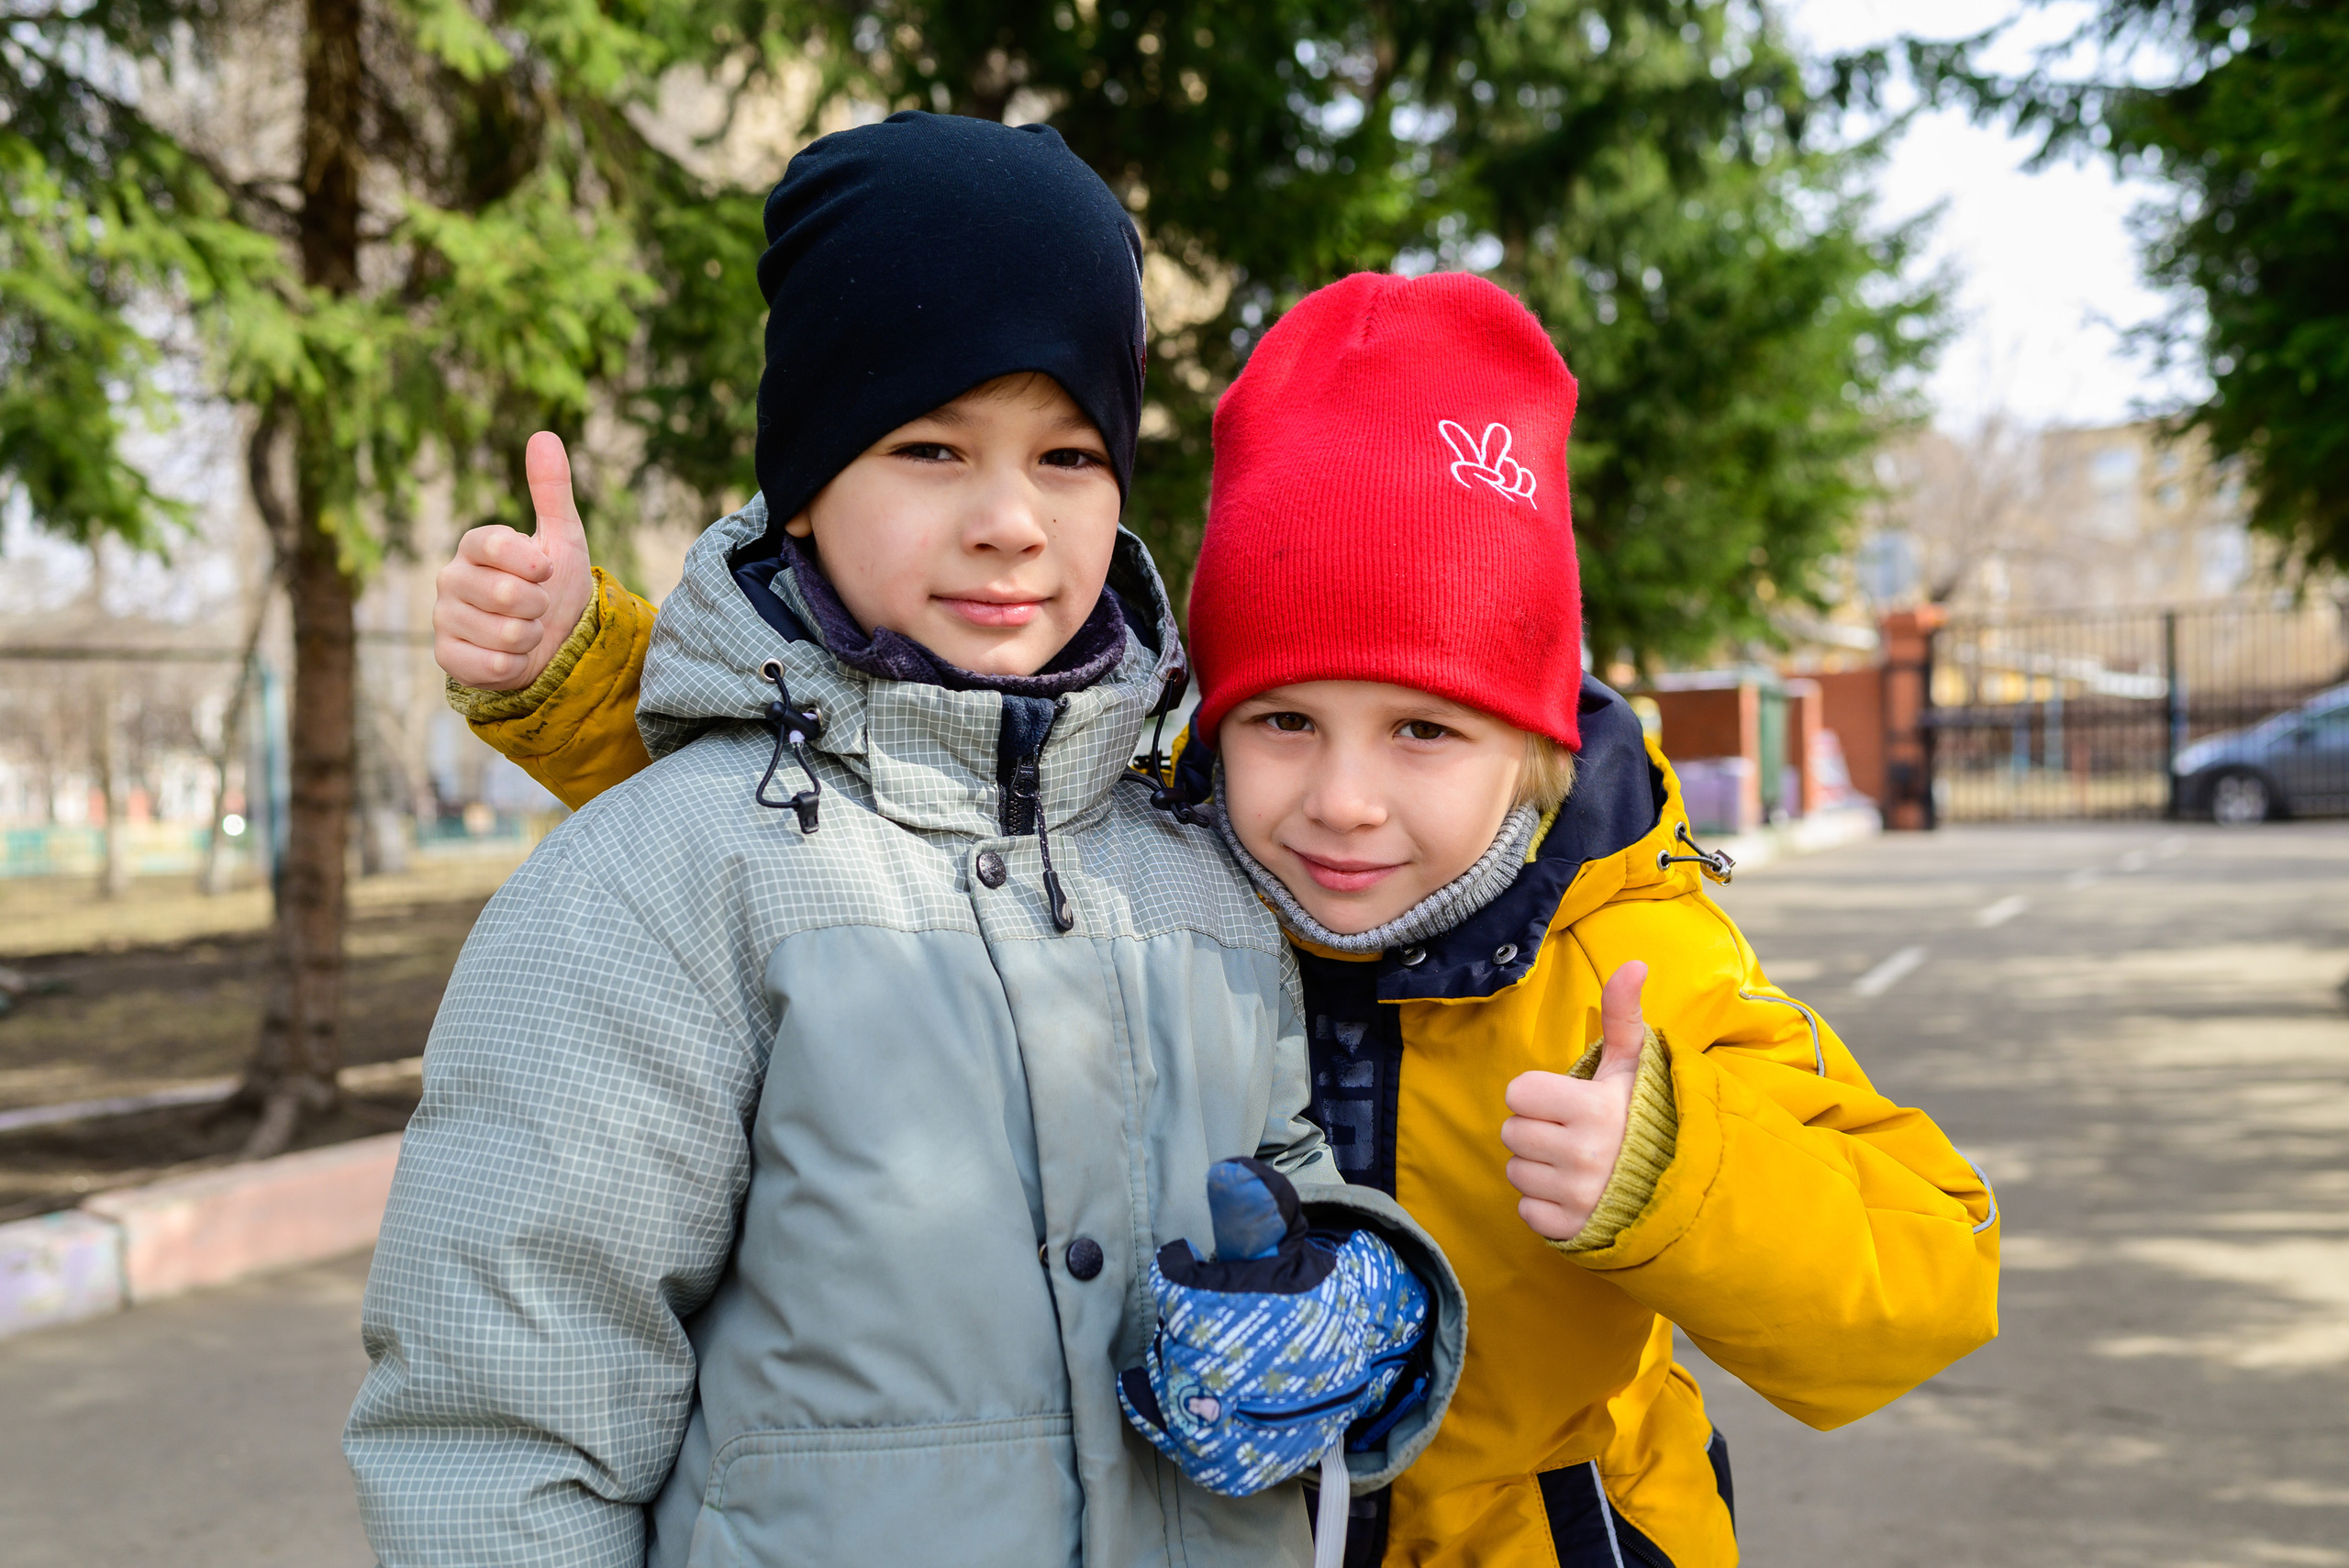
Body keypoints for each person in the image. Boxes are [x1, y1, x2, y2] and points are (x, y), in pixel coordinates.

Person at [436, 268, 2001, 1567]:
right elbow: (851, 802)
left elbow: (1927, 1273)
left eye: (1425, 732)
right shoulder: (1155, 860)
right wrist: (577, 667)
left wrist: (1671, 1171)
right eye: (1286, 722)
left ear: (1534, 744)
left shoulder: (1620, 953)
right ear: (1208, 720)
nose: (1343, 801)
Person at [354, 112, 1466, 1568]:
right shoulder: (668, 886)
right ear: (806, 487)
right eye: (931, 446)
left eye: (1068, 455)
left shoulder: (1195, 868)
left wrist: (1343, 1294)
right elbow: (501, 1420)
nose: (1010, 520)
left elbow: (1282, 1169)